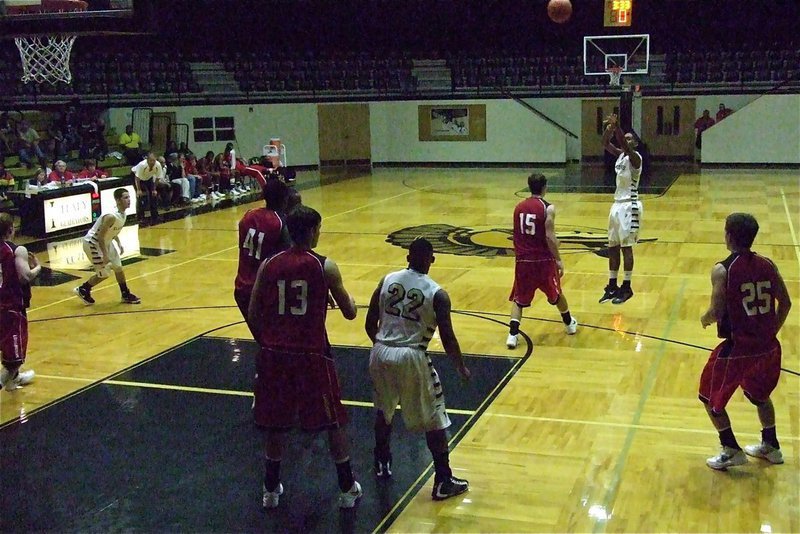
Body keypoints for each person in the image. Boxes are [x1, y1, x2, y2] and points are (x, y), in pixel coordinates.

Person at [248, 205, 362, 509]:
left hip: (274, 354)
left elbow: (253, 311)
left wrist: (270, 339)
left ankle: (270, 489)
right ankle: (347, 487)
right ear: (312, 231)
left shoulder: (269, 264)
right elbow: (350, 313)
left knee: (276, 422)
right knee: (333, 420)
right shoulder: (323, 266)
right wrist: (350, 300)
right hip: (311, 355)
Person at [365, 237, 471, 501]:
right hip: (411, 356)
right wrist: (460, 367)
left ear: (407, 257)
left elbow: (369, 323)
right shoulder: (437, 293)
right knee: (435, 417)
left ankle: (381, 460)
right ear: (432, 259)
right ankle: (443, 480)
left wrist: (385, 347)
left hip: (380, 350)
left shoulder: (386, 280)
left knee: (384, 408)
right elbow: (448, 337)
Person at [699, 213, 791, 470]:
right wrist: (771, 330)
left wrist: (705, 318)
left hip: (738, 348)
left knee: (708, 397)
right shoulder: (768, 264)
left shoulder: (722, 269)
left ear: (728, 235)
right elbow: (786, 303)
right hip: (768, 348)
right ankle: (771, 446)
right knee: (760, 395)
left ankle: (730, 448)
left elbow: (716, 311)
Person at [506, 173, 577, 349]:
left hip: (523, 260)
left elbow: (517, 235)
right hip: (543, 260)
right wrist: (558, 259)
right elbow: (549, 236)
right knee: (557, 293)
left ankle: (513, 335)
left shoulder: (518, 207)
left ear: (529, 187)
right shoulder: (548, 208)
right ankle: (569, 324)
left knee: (518, 299)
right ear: (545, 187)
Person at [598, 113, 642, 305]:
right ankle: (612, 284)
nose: (628, 139)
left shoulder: (635, 158)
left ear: (636, 144)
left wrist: (618, 128)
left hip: (630, 205)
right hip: (617, 204)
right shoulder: (621, 155)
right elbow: (605, 143)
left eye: (631, 138)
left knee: (626, 247)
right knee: (613, 246)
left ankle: (627, 286)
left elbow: (622, 143)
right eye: (627, 137)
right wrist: (609, 129)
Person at [234, 179, 291, 325]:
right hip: (264, 291)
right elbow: (287, 261)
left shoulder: (249, 215)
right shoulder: (280, 223)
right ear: (285, 198)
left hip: (242, 287)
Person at [73, 188, 141, 305]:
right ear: (118, 200)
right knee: (104, 273)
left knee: (118, 267)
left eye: (129, 197)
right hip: (93, 244)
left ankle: (125, 294)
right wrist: (105, 255)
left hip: (106, 242)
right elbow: (100, 236)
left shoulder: (123, 213)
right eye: (125, 198)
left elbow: (112, 232)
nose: (129, 200)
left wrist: (118, 243)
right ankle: (83, 289)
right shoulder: (111, 216)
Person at [0, 212, 41, 391]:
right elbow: (25, 277)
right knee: (13, 359)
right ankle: (8, 378)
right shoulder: (16, 250)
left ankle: (13, 380)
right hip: (10, 307)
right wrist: (37, 267)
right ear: (11, 229)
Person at [132, 153, 162, 223]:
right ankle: (140, 217)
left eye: (154, 161)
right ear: (147, 160)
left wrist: (154, 189)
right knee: (140, 196)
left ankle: (155, 216)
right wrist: (138, 189)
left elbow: (158, 178)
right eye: (150, 160)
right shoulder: (142, 165)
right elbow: (137, 178)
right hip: (137, 178)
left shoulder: (158, 165)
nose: (152, 162)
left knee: (153, 196)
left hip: (148, 178)